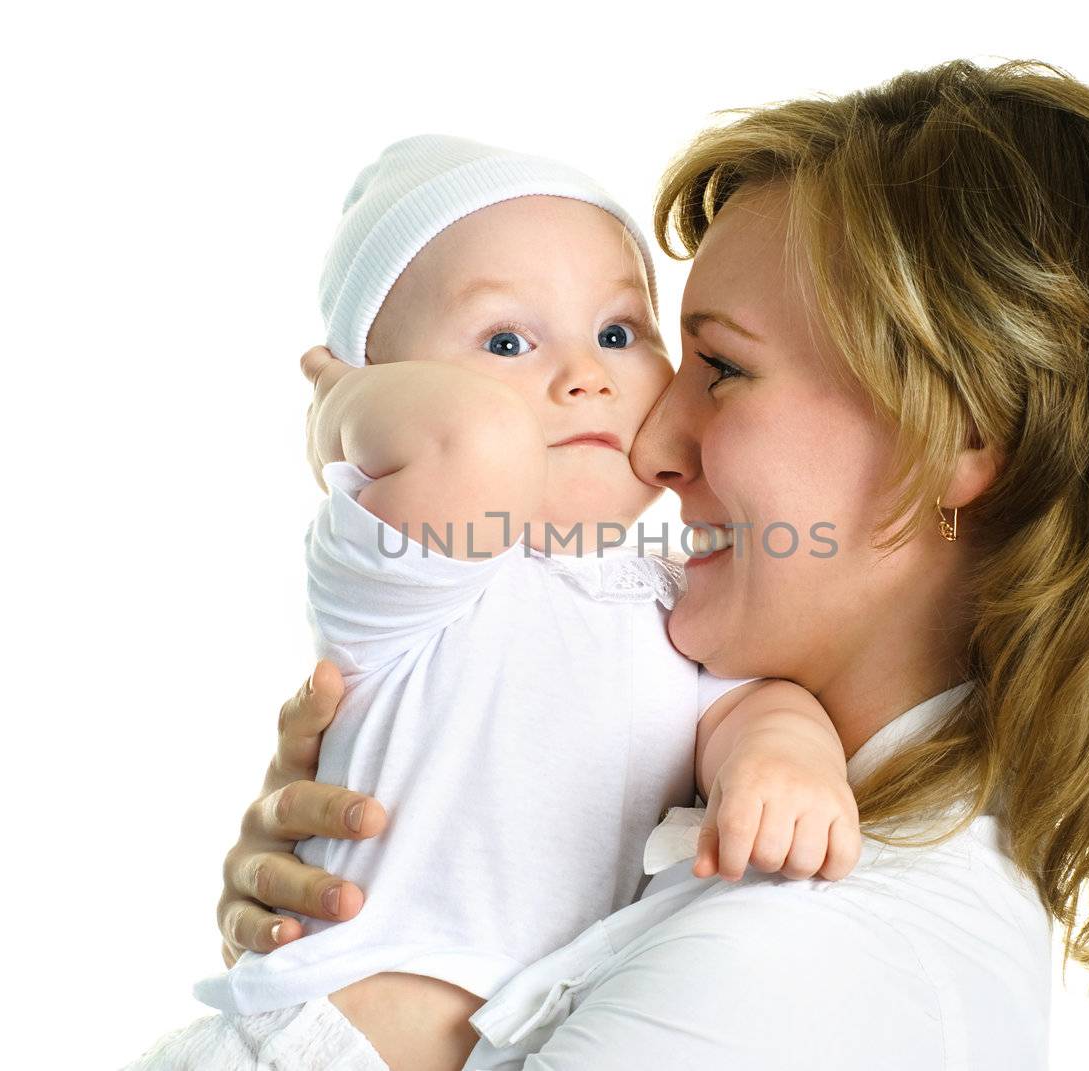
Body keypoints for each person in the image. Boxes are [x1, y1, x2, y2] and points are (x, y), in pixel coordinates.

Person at [214, 57, 1089, 1068]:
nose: (647, 441)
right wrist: (378, 910)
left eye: (721, 367)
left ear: (955, 436)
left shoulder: (783, 965)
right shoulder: (770, 865)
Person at [126, 134, 868, 1070]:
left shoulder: (678, 594)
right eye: (507, 340)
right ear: (383, 392)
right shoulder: (419, 566)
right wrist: (333, 416)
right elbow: (472, 443)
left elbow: (741, 702)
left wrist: (784, 752)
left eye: (618, 332)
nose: (584, 376)